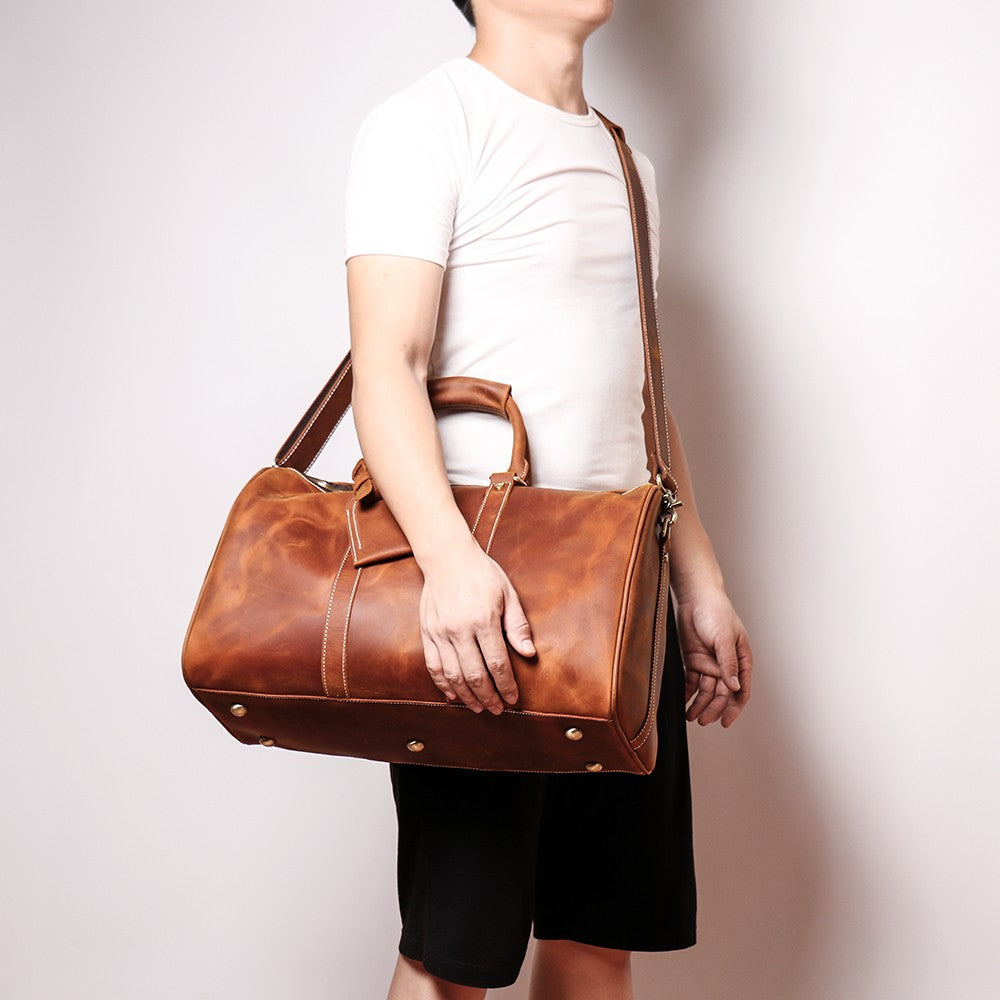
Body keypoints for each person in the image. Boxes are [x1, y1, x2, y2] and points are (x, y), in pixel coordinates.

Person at [343, 2, 754, 997]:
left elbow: (641, 396)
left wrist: (697, 581)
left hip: (620, 596)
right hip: (491, 595)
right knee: (455, 954)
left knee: (596, 937)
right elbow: (385, 367)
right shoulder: (427, 121)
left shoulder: (624, 160)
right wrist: (448, 563)